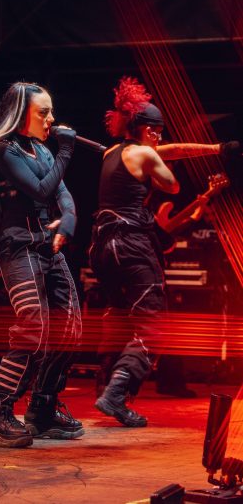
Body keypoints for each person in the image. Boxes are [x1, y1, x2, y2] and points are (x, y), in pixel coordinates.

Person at [90, 76, 236, 427]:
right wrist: (160, 164)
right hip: (131, 244)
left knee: (120, 319)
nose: (161, 138)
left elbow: (172, 150)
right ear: (149, 130)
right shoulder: (145, 153)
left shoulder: (113, 152)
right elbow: (171, 185)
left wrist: (216, 149)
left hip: (102, 247)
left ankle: (107, 386)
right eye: (158, 132)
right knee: (153, 325)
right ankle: (116, 394)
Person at [0, 82, 83, 448]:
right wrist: (66, 150)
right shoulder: (4, 151)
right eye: (43, 113)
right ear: (21, 115)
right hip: (18, 248)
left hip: (47, 246)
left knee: (70, 327)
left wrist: (69, 220)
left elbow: (63, 195)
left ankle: (43, 410)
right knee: (34, 328)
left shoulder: (42, 150)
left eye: (51, 112)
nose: (51, 119)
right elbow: (42, 190)